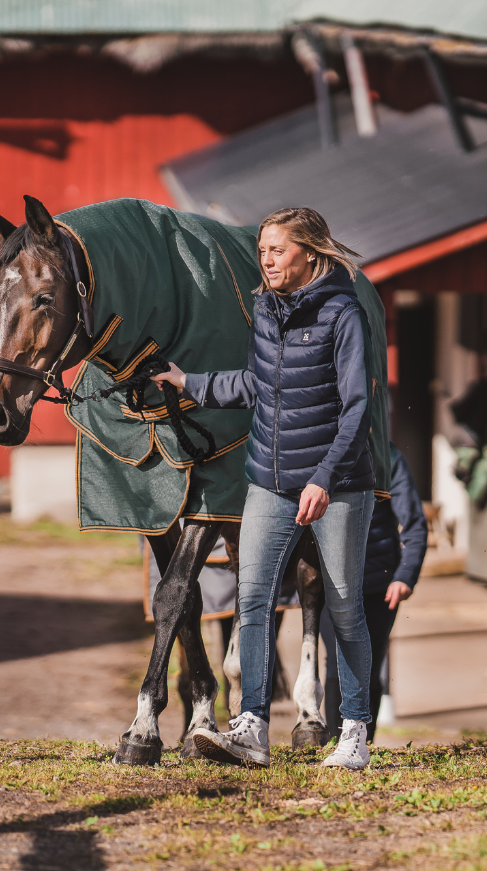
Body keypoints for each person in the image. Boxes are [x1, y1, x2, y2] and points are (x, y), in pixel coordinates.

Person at [152, 207, 376, 770]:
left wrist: (324, 478)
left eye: (278, 250)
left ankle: (354, 730)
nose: (266, 260)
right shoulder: (266, 308)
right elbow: (259, 384)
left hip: (338, 485)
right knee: (252, 599)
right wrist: (188, 383)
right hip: (268, 484)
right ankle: (251, 725)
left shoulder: (343, 313)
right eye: (262, 250)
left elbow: (356, 407)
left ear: (310, 251)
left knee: (344, 607)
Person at [322, 443, 427, 741]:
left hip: (379, 584)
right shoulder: (318, 451)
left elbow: (414, 523)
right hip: (331, 581)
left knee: (370, 661)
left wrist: (405, 575)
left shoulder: (389, 457)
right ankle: (335, 740)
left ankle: (364, 742)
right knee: (336, 659)